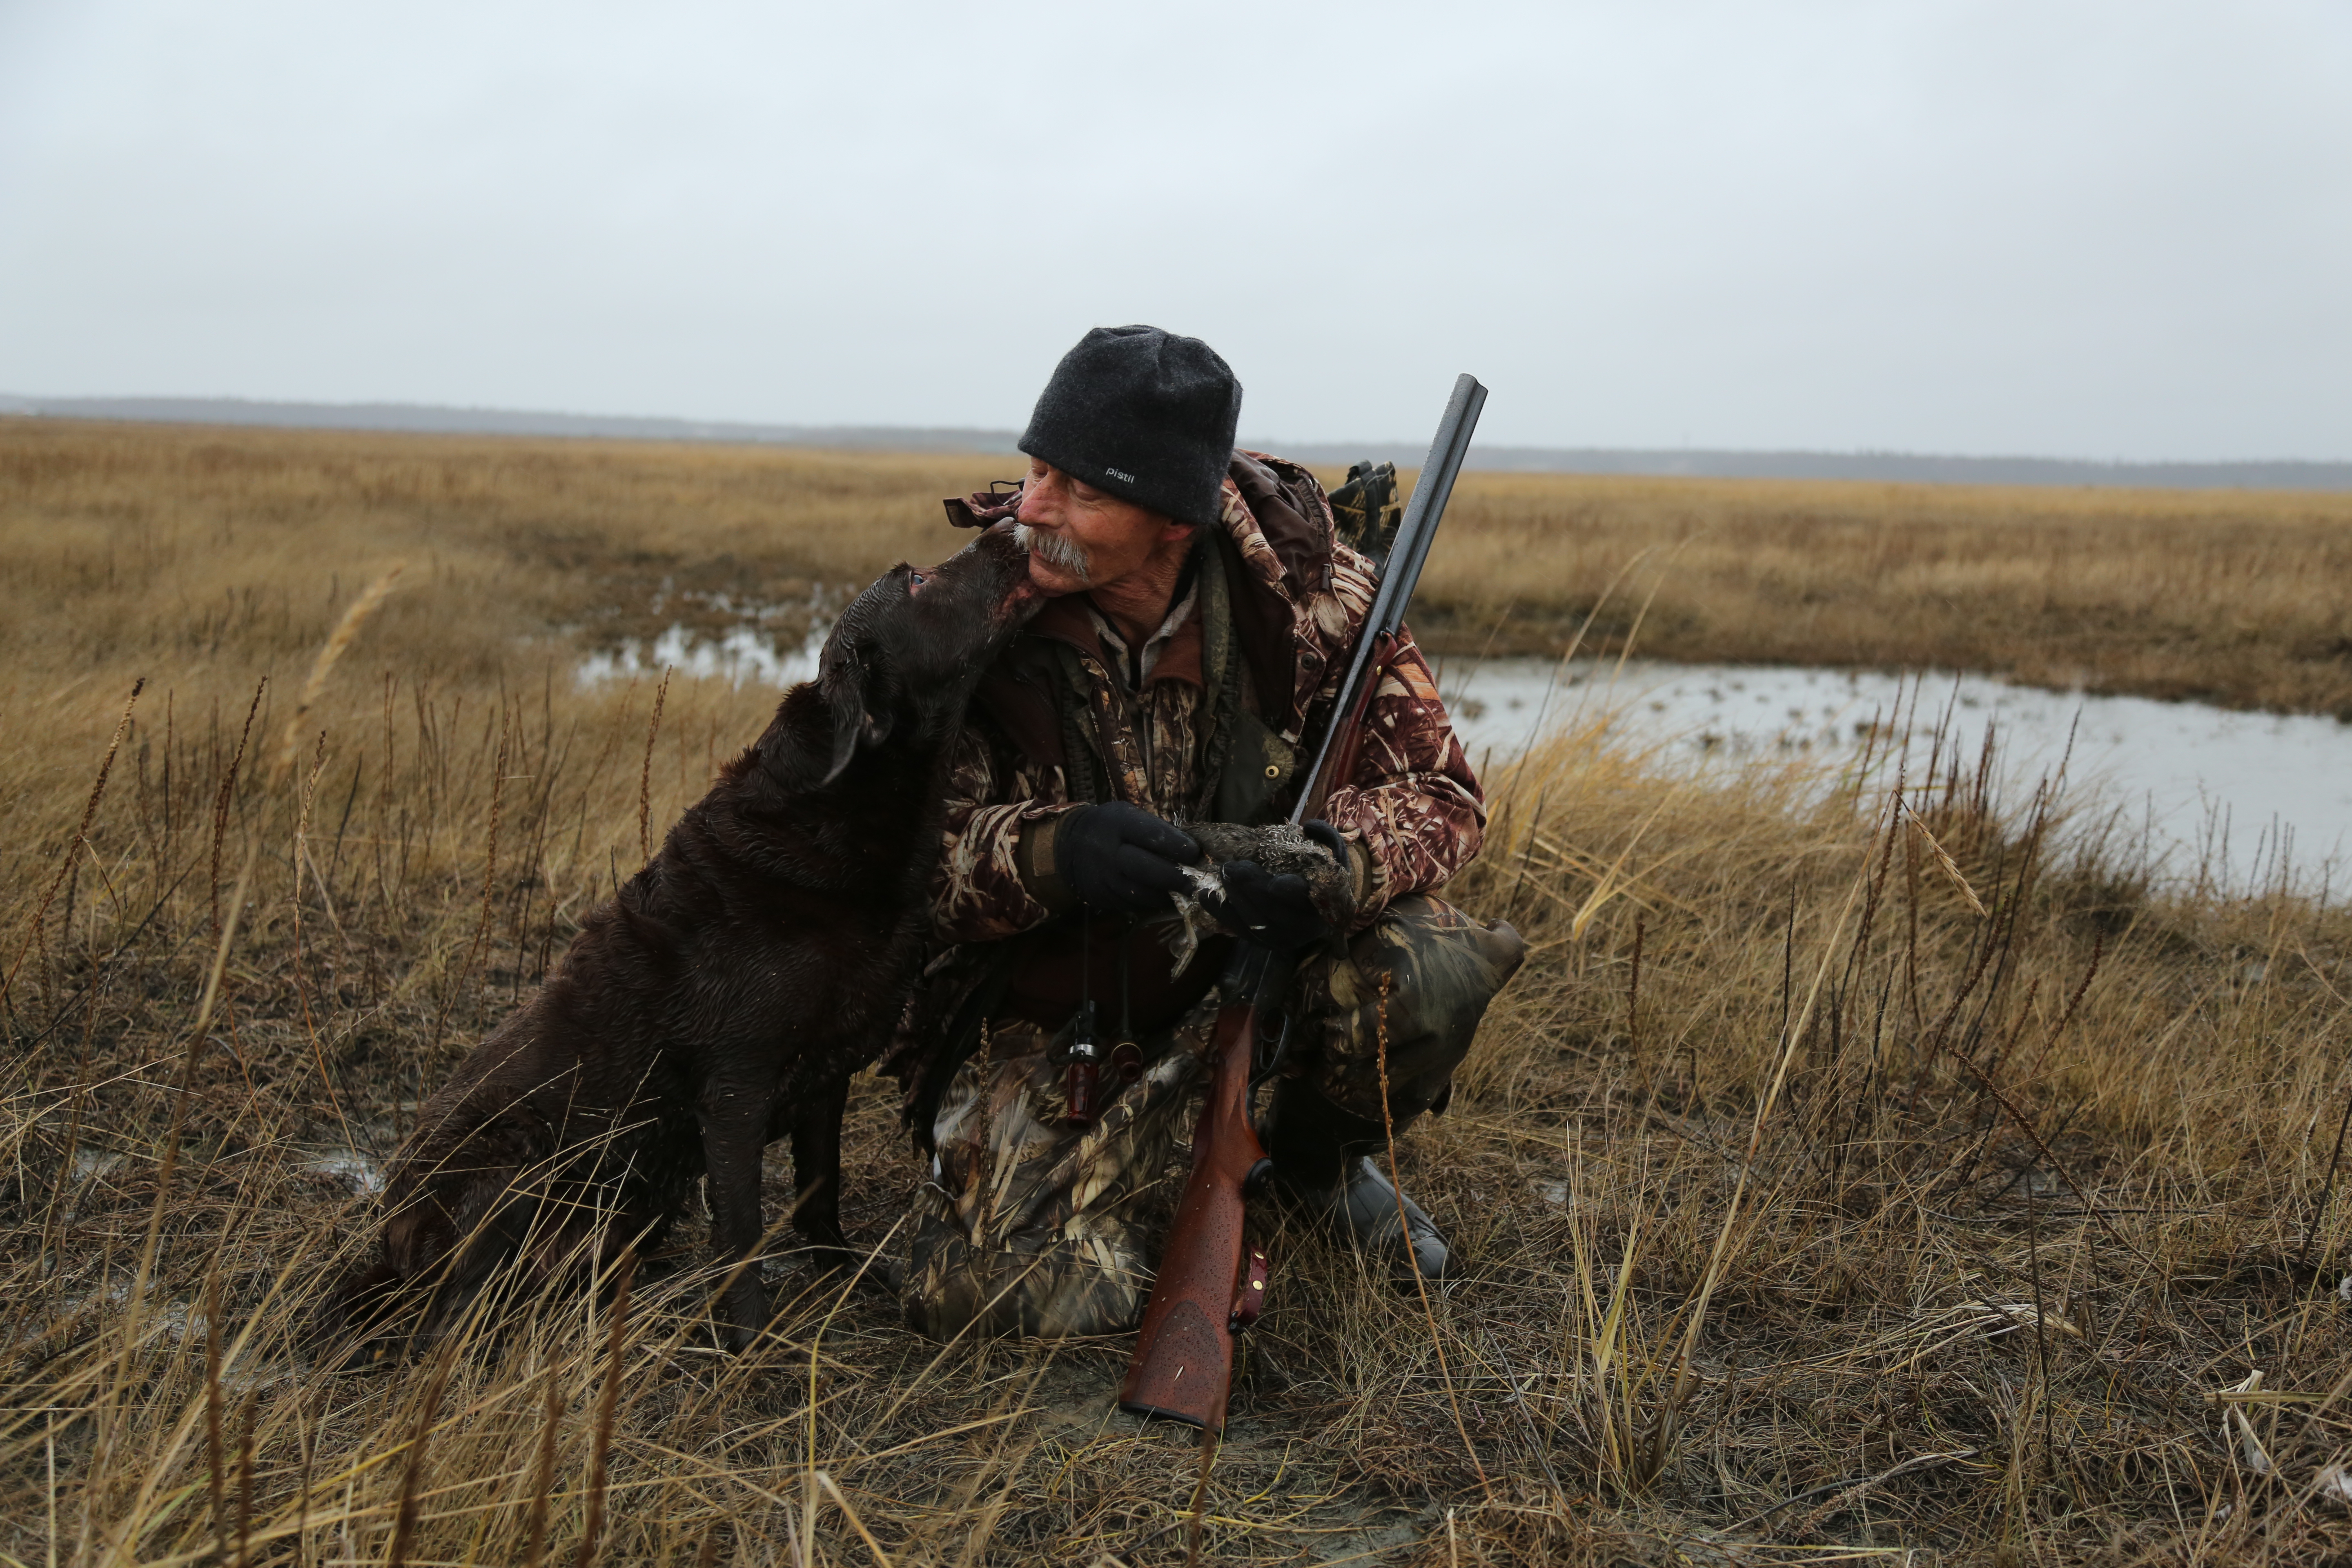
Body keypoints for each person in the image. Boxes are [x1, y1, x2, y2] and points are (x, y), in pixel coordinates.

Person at [881, 325, 1526, 1340]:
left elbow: (1441, 793)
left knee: (1428, 964)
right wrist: (1053, 852)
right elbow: (903, 860)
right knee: (986, 1295)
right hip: (1064, 1009)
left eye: (1082, 491)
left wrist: (1328, 864)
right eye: (1036, 469)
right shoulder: (971, 617)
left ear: (1176, 524)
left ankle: (1313, 1162)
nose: (1034, 507)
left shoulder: (1318, 604)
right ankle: (1157, 1175)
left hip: (1253, 986)